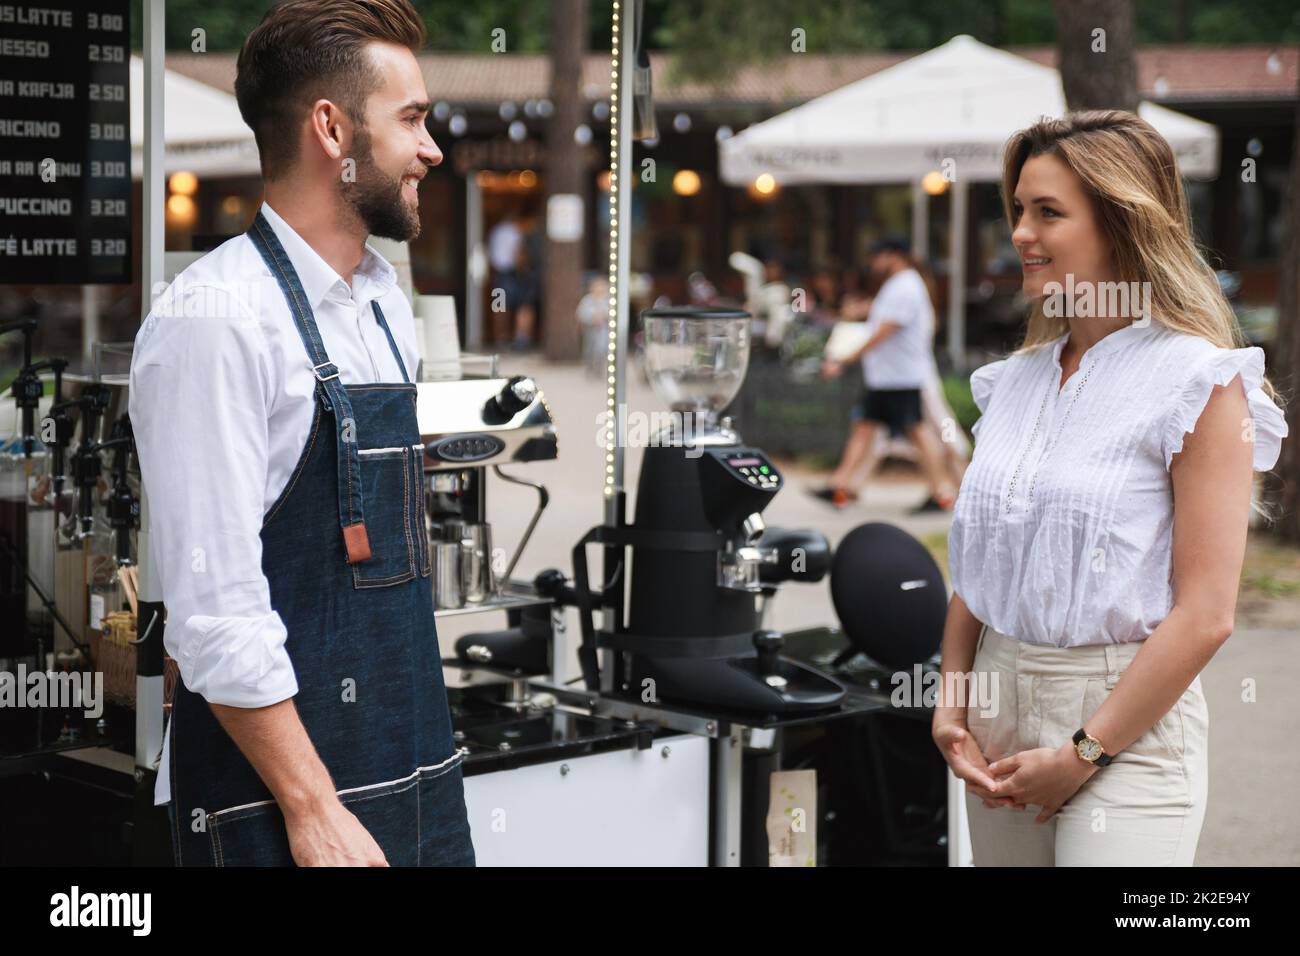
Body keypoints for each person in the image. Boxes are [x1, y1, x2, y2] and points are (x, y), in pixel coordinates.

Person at [129, 0, 475, 867]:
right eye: (412, 119)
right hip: (279, 807)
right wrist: (312, 809)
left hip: (416, 767)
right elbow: (215, 614)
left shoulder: (384, 302)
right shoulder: (214, 320)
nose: (432, 149)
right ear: (332, 128)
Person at [933, 110, 1288, 866]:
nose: (1022, 232)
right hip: (996, 714)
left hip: (1123, 726)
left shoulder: (1197, 380)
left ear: (1123, 222)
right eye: (1019, 210)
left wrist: (1081, 753)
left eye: (1049, 213)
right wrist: (950, 701)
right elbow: (981, 568)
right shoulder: (1015, 381)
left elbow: (1206, 614)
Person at [814, 236, 958, 511]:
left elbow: (884, 330)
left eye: (877, 256)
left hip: (899, 377)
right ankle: (839, 486)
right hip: (887, 377)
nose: (873, 263)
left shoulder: (905, 286)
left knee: (916, 431)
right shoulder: (899, 285)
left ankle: (942, 492)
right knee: (864, 428)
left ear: (893, 255)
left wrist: (847, 359)